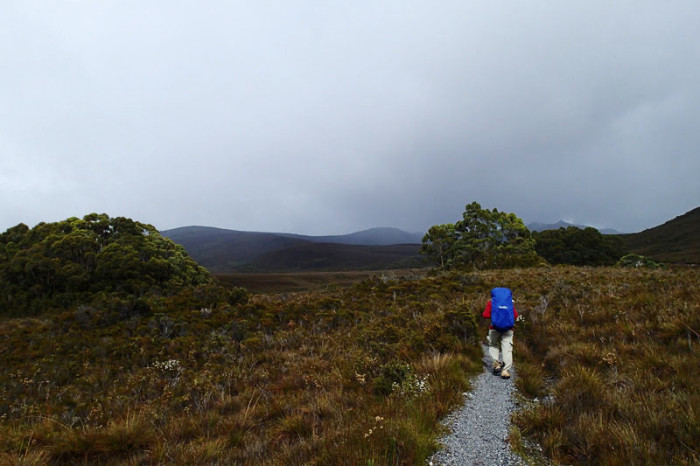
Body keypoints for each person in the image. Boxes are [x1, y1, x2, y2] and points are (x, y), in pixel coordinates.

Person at [483, 287, 519, 379]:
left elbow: (485, 315)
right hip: (508, 329)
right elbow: (515, 315)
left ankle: (497, 364)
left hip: (494, 328)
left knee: (493, 345)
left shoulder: (491, 302)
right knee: (507, 348)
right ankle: (505, 370)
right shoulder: (510, 303)